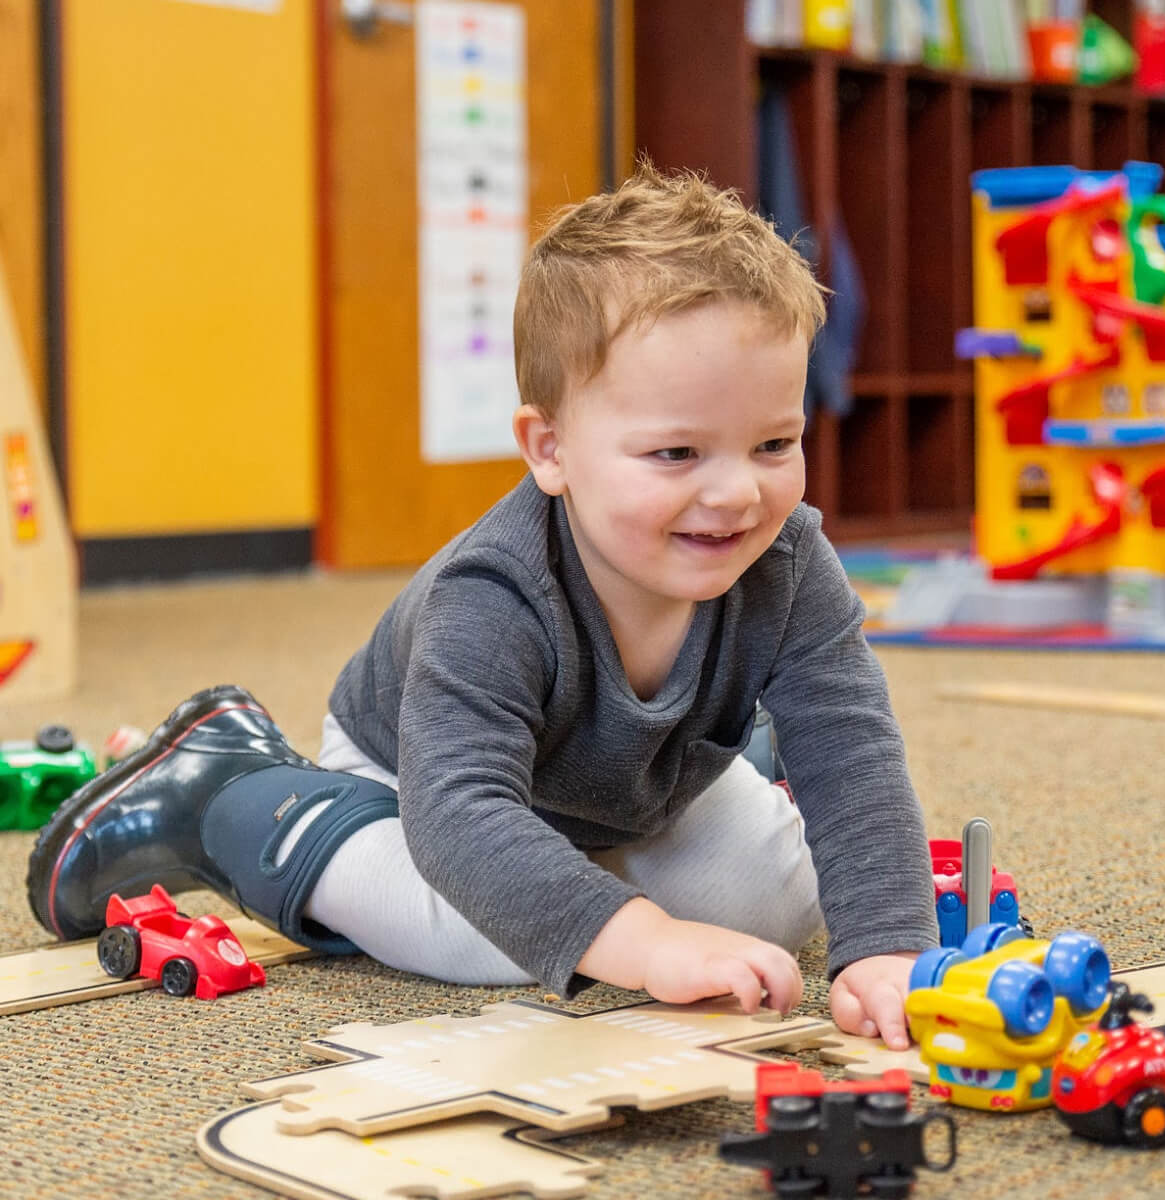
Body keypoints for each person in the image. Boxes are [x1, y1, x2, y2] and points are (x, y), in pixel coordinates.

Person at [27, 163, 937, 1047]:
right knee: (479, 937)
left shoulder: (789, 558)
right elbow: (461, 816)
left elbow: (850, 743)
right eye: (676, 455)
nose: (739, 493)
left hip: (628, 784)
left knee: (779, 897)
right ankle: (233, 792)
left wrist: (888, 950)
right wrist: (645, 940)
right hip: (412, 782)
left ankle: (602, 883)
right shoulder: (496, 592)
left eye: (775, 442)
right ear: (550, 450)